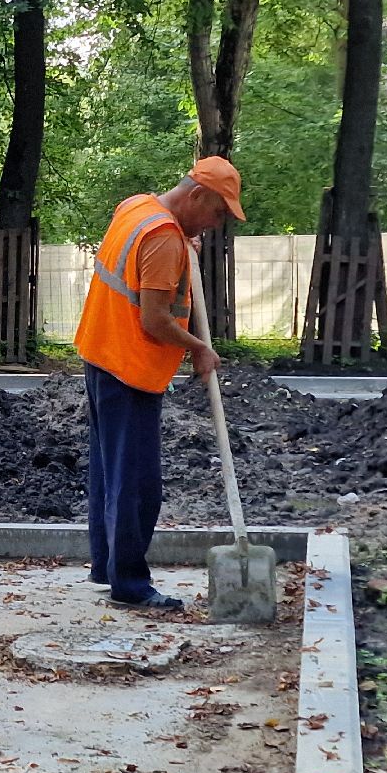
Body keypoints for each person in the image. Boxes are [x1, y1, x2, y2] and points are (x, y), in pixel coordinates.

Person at [73, 156, 245, 610]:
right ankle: (130, 586)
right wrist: (199, 347)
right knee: (136, 484)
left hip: (101, 354)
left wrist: (185, 241)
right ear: (196, 195)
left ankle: (106, 567)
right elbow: (154, 320)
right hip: (130, 369)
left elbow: (138, 266)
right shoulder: (164, 238)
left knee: (110, 472)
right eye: (217, 212)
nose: (216, 223)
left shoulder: (138, 208)